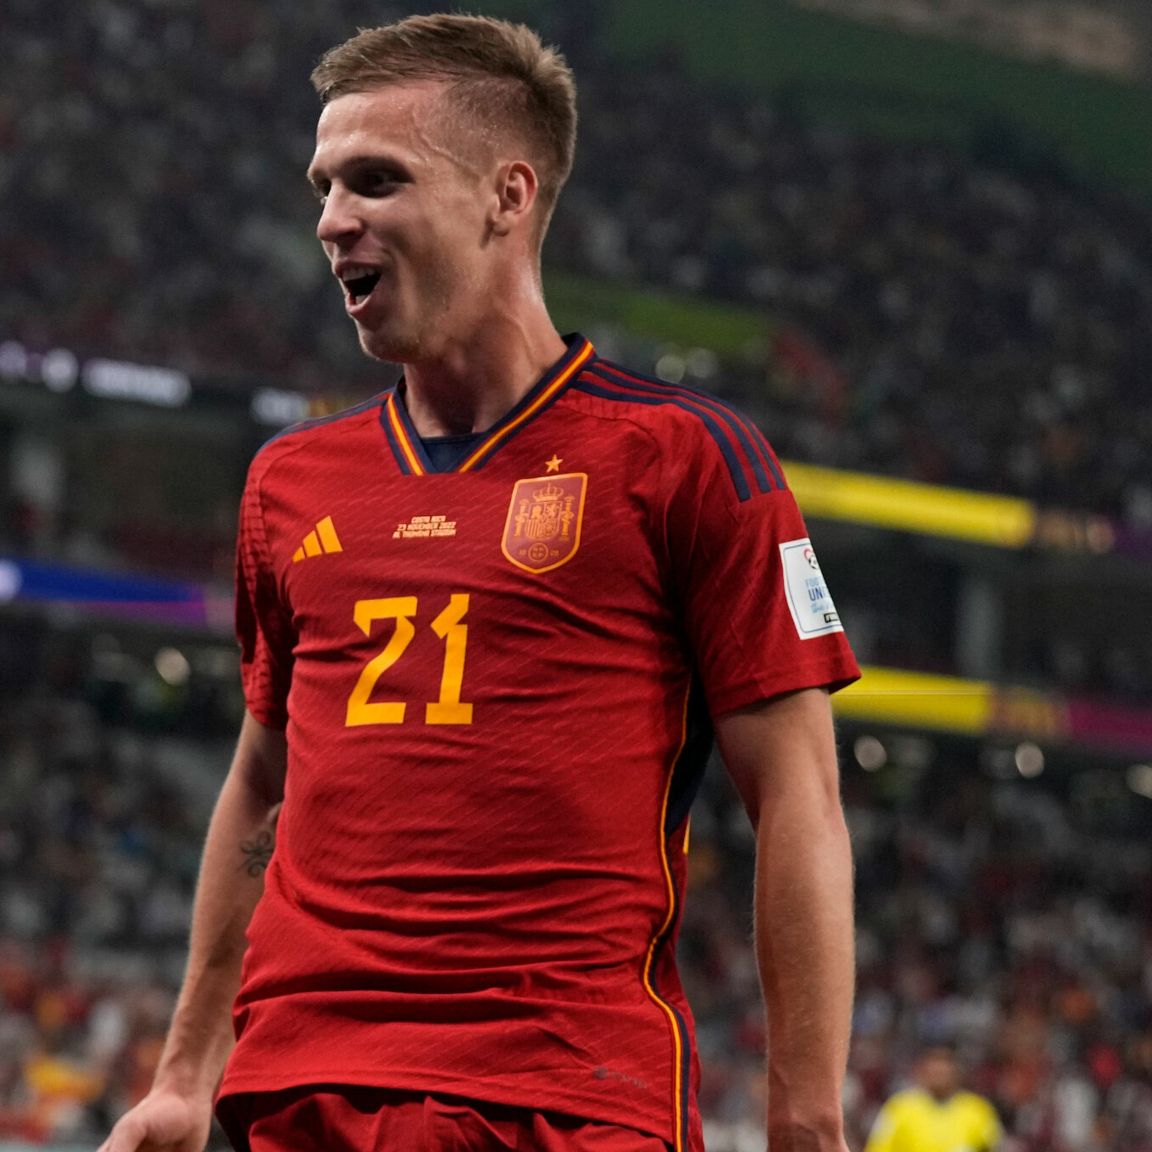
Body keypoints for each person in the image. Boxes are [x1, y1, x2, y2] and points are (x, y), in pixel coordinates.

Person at [101, 15, 858, 1152]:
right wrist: (180, 1076)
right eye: (322, 187)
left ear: (508, 195)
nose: (331, 219)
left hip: (560, 1098)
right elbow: (261, 783)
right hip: (301, 1090)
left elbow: (798, 794)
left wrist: (805, 1119)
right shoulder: (288, 482)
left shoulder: (688, 459)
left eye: (376, 180)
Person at [865, 1048, 1004, 1152]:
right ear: (923, 1072)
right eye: (935, 1072)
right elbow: (878, 1147)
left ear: (956, 1073)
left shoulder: (977, 1109)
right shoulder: (900, 1108)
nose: (939, 1077)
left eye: (944, 1072)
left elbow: (994, 1145)